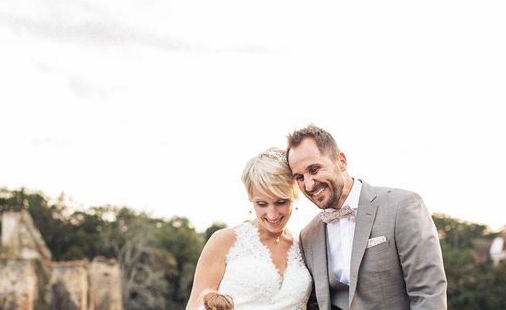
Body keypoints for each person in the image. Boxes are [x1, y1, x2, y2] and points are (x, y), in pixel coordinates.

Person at [286, 124, 447, 310]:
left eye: (314, 170)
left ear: (341, 161)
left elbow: (428, 295)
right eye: (299, 177)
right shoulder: (308, 235)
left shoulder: (402, 206)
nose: (308, 185)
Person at [185, 148, 312, 310]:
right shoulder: (224, 240)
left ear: (294, 195)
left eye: (281, 202)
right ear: (250, 198)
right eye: (262, 204)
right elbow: (195, 305)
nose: (272, 214)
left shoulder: (305, 245)